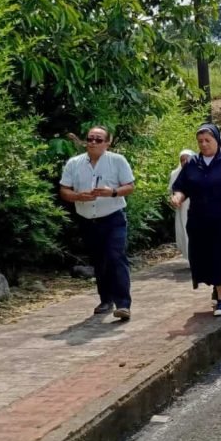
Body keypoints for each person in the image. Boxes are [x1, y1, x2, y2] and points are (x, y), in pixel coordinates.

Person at [170, 123, 221, 317]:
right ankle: (216, 285)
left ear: (216, 140)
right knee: (204, 257)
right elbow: (182, 187)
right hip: (199, 221)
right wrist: (178, 197)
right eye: (200, 141)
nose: (204, 144)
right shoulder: (192, 164)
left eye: (208, 140)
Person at [59, 126, 136, 321]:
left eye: (98, 139)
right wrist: (78, 196)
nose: (93, 142)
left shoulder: (117, 161)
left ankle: (123, 304)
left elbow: (129, 186)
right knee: (100, 260)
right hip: (87, 220)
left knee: (115, 256)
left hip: (113, 217)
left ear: (107, 142)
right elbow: (64, 190)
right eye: (90, 138)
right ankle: (105, 299)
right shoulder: (74, 163)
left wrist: (112, 192)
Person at [169, 149, 194, 263]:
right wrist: (175, 200)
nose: (184, 162)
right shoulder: (175, 174)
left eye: (187, 159)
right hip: (183, 208)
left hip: (197, 206)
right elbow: (173, 190)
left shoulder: (199, 171)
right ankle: (192, 257)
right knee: (185, 231)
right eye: (182, 160)